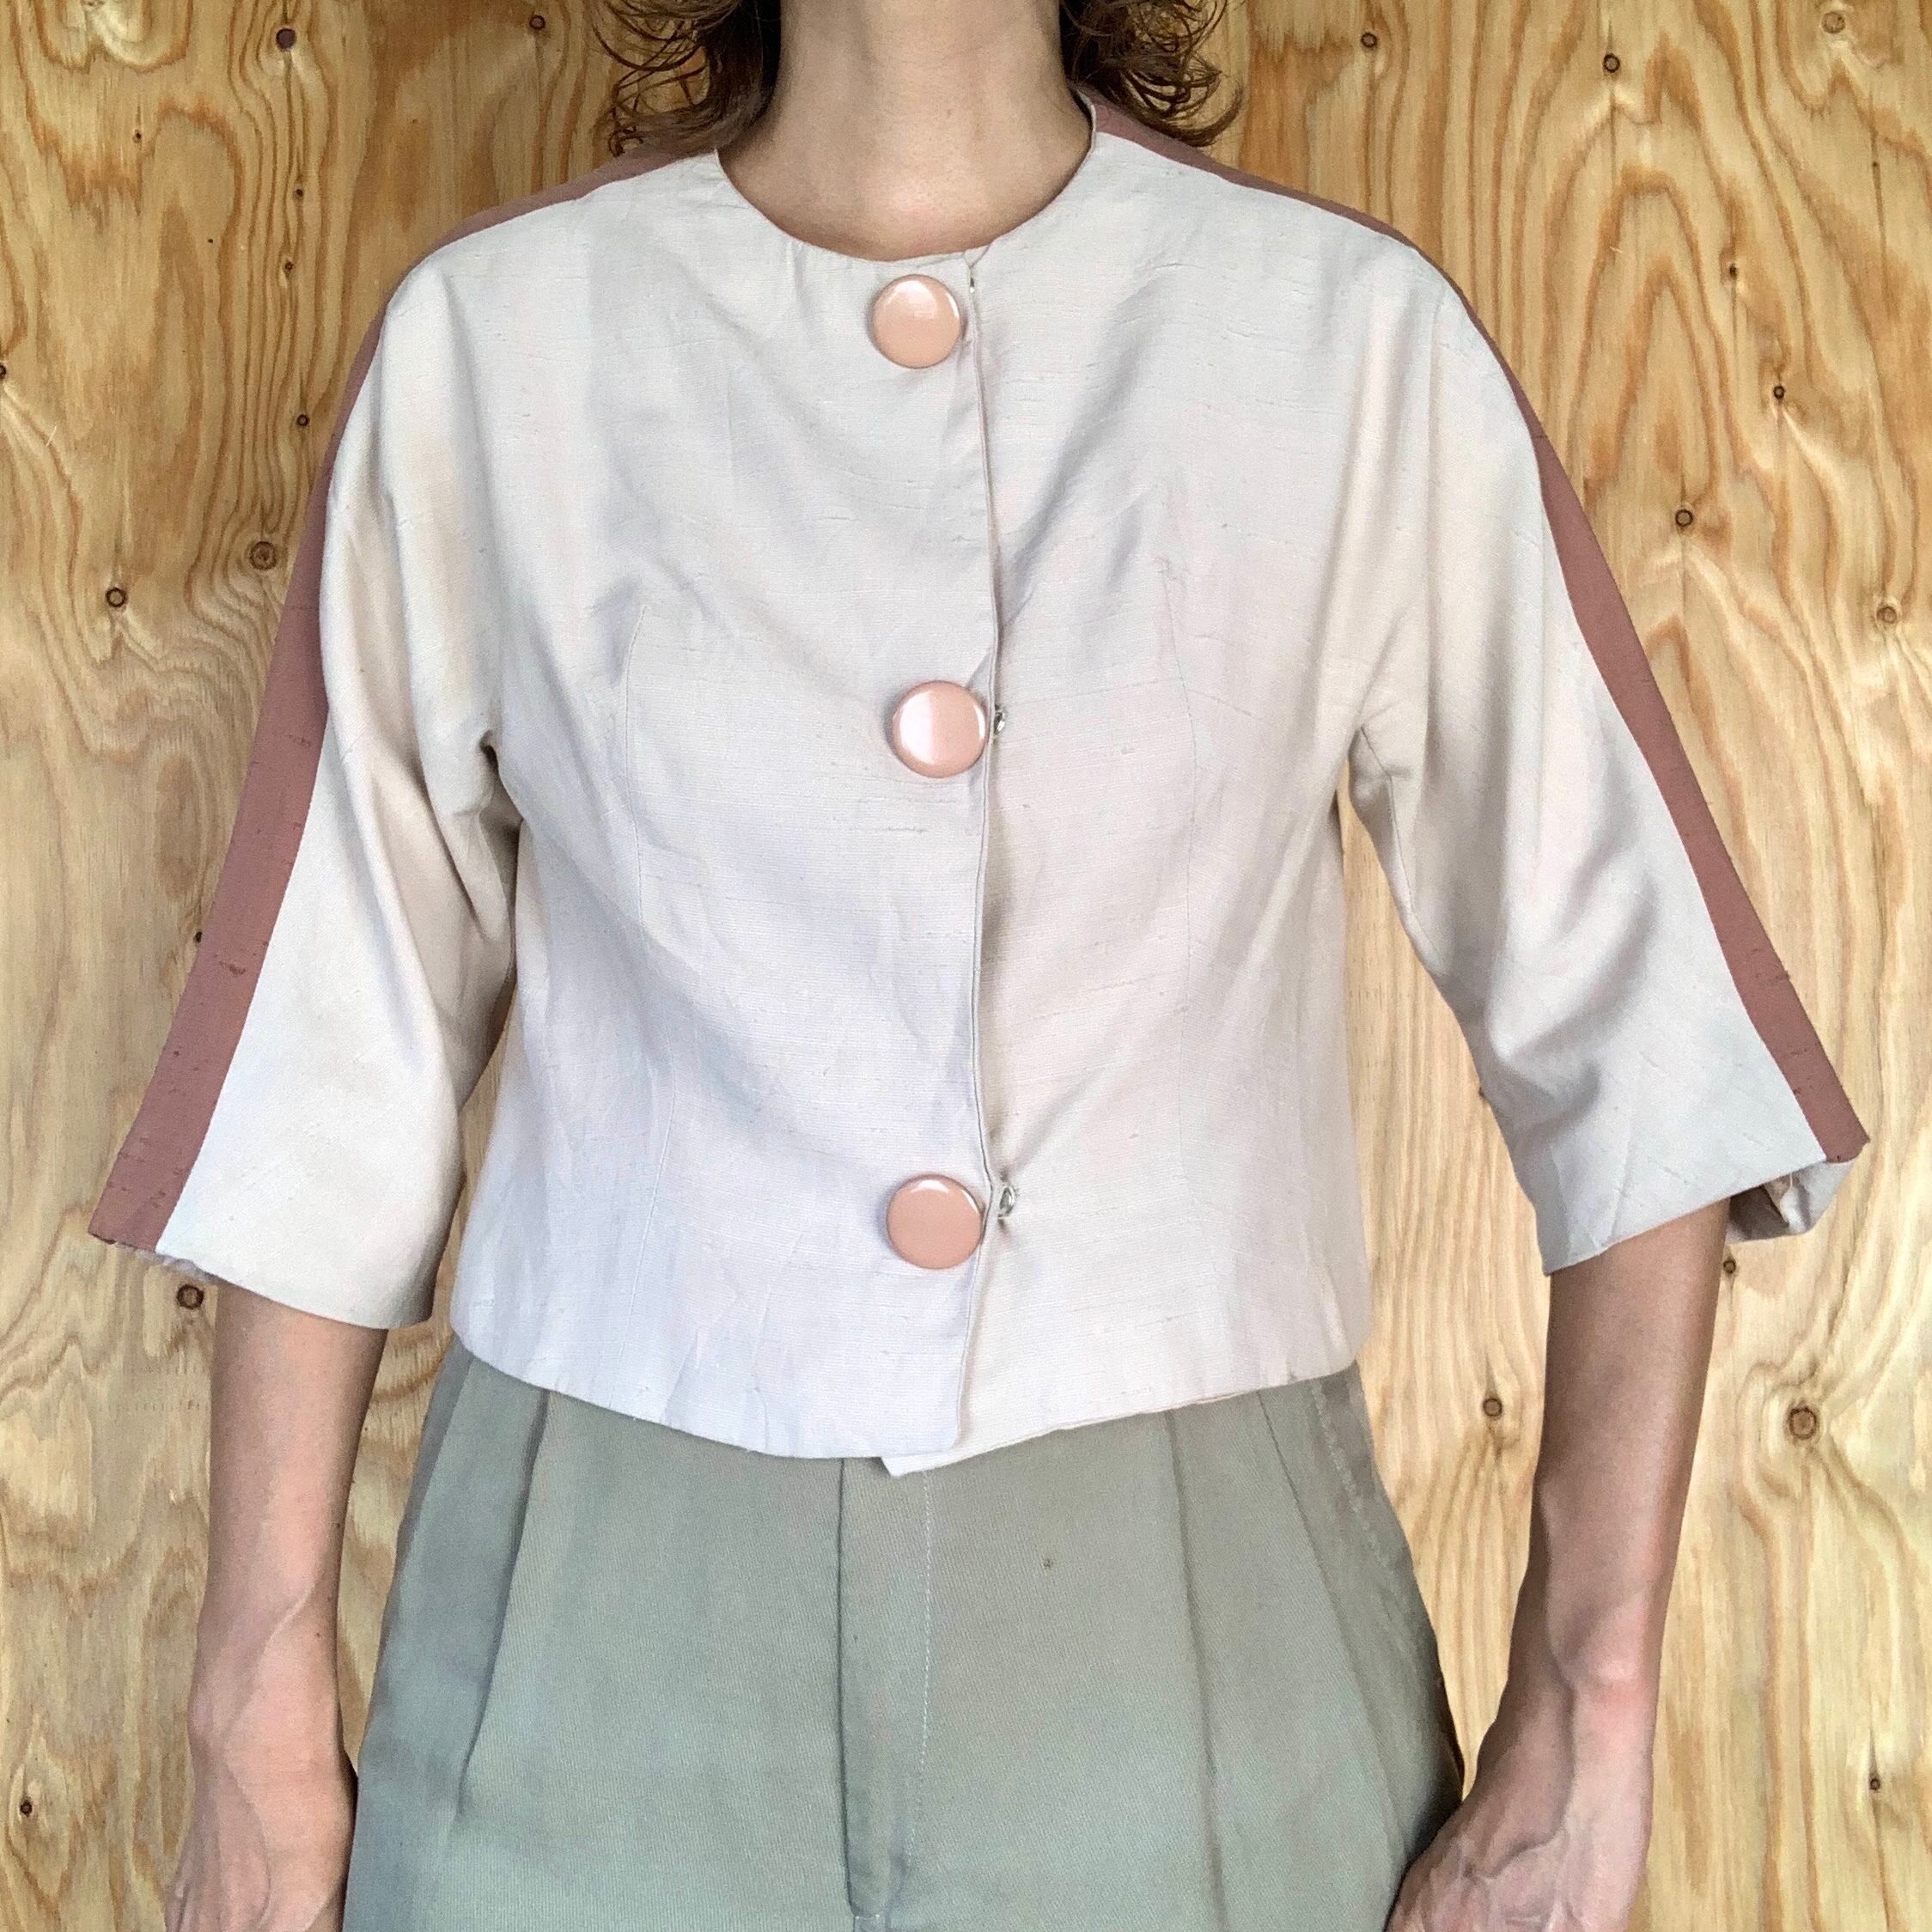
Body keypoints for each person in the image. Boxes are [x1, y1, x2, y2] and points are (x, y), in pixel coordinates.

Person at [89, 2, 1868, 1929]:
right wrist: (248, 1712)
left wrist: (1590, 1709)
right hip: (577, 1664)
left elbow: (1642, 1032)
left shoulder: (1343, 347)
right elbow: (326, 1058)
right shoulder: (496, 350)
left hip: (1201, 1657)